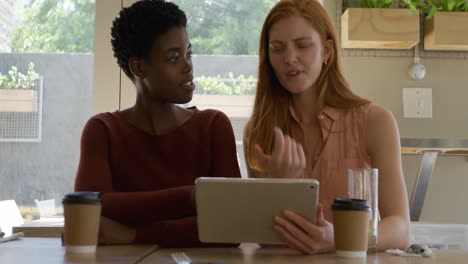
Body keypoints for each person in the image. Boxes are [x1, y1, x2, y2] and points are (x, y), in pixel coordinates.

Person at [243, 0, 411, 254]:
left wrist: (341, 237)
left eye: (303, 45)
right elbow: (263, 239)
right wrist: (277, 185)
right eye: (277, 49)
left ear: (326, 51)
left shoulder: (376, 122)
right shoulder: (258, 131)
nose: (289, 58)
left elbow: (400, 229)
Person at [75, 0, 240, 246]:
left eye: (189, 54)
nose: (188, 66)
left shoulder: (213, 126)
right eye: (174, 58)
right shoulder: (103, 131)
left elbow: (231, 226)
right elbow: (89, 212)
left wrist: (132, 235)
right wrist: (193, 196)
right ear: (139, 67)